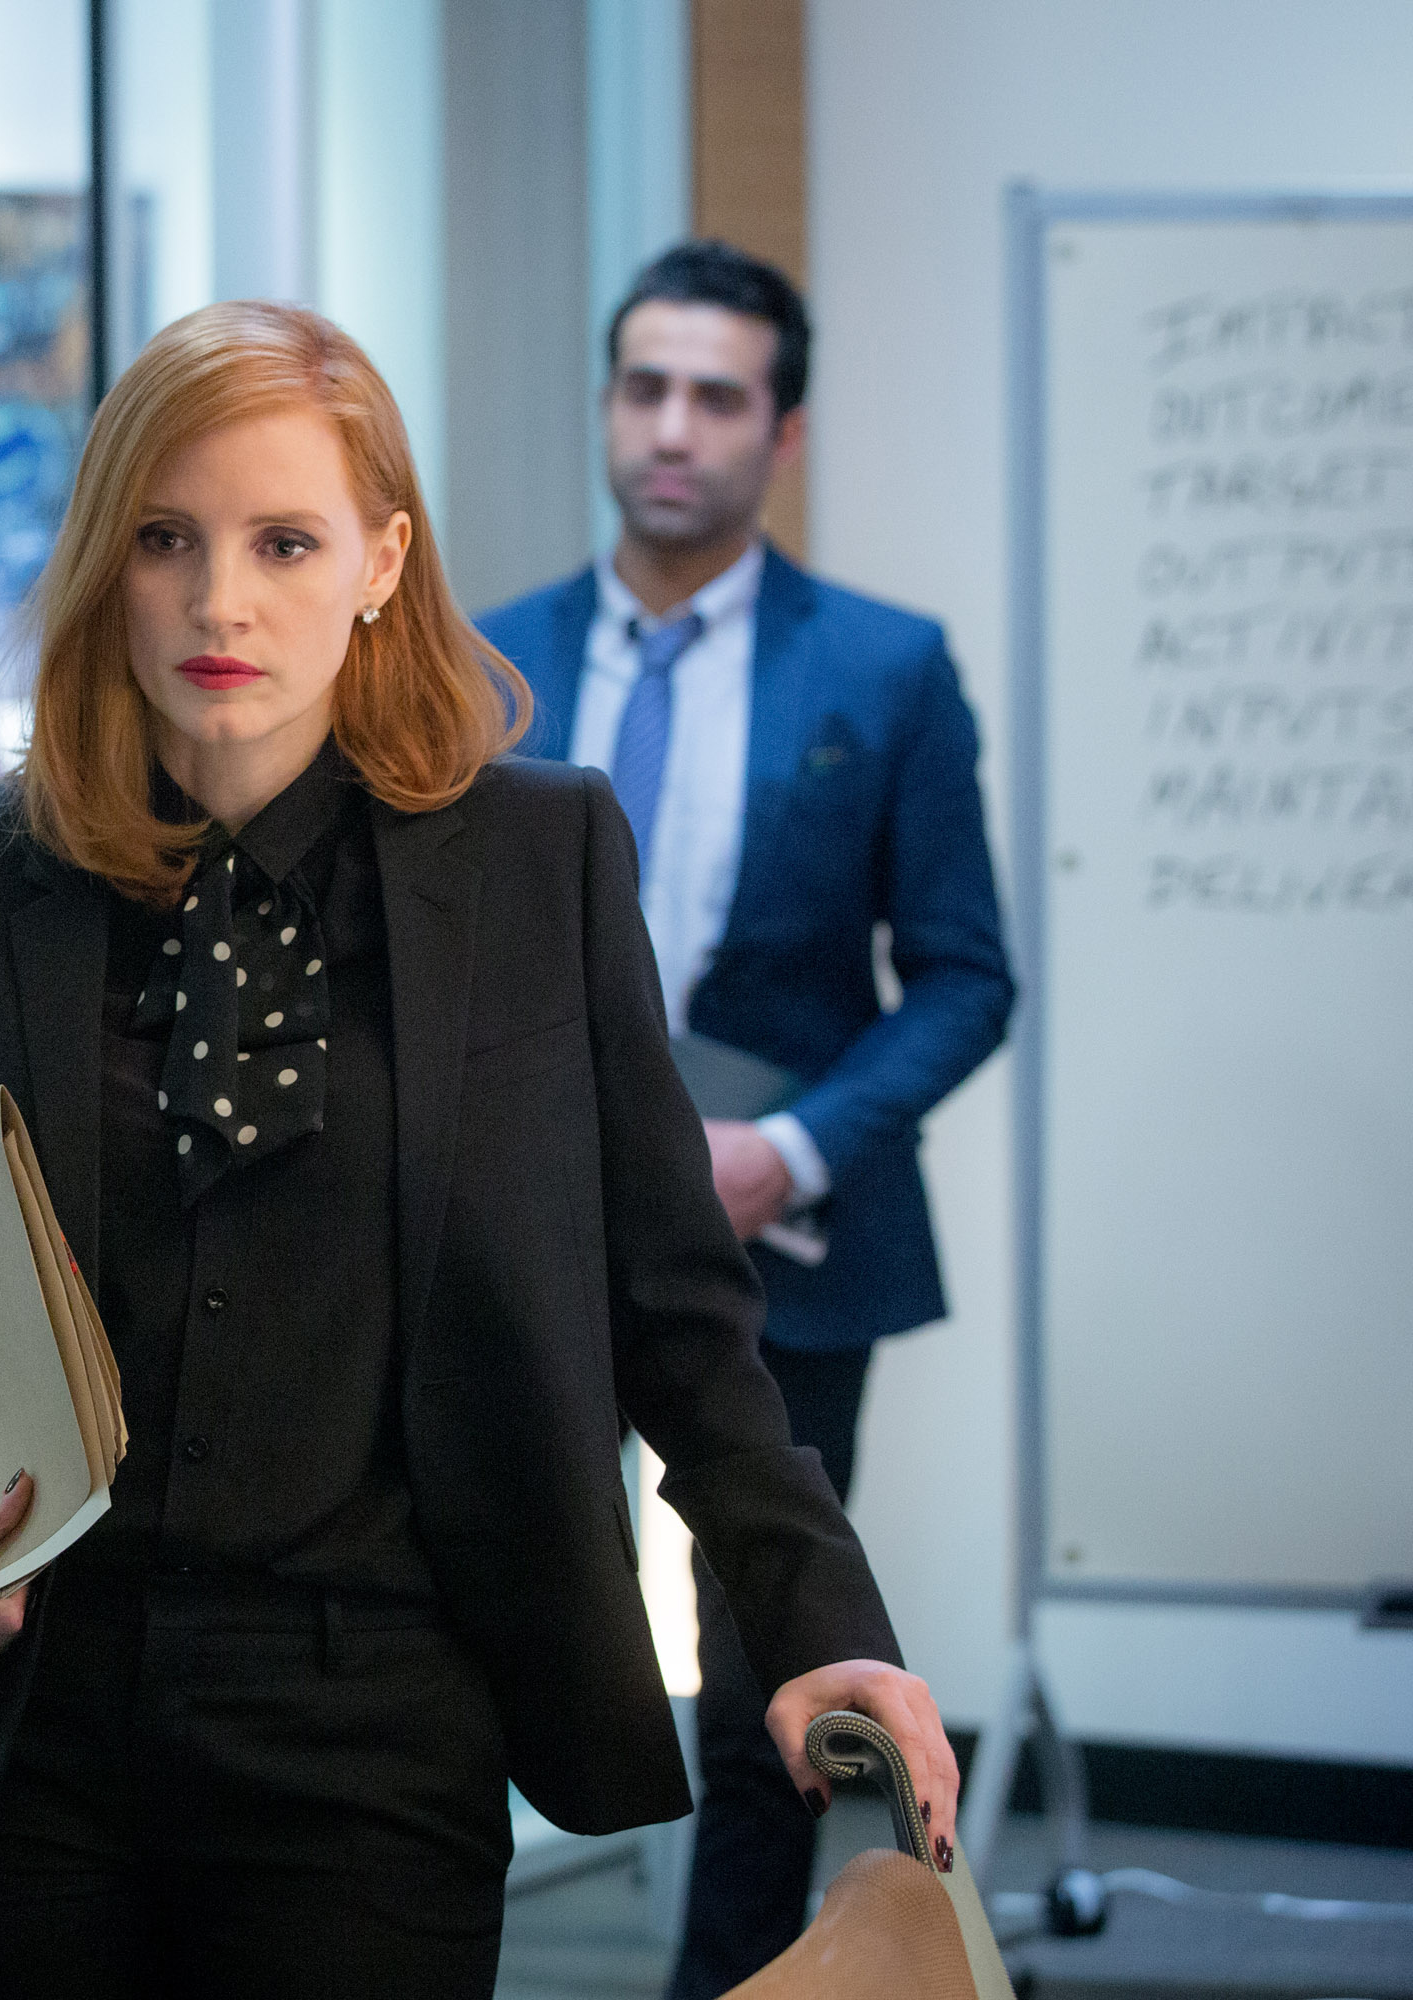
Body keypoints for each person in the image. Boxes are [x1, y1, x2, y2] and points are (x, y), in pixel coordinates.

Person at [0, 300, 964, 1999]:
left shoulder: (537, 864)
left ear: (381, 562)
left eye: (283, 543)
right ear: (103, 562)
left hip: (375, 1730)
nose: (218, 602)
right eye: (165, 539)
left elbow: (675, 1308)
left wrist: (822, 1622)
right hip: (17, 1728)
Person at [474, 240, 1014, 1996]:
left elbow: (965, 975)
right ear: (607, 404)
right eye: (645, 387)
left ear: (780, 431)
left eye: (716, 397)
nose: (672, 428)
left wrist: (794, 1148)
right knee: (485, 1626)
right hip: (520, 1237)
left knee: (770, 1680)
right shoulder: (486, 662)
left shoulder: (884, 669)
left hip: (785, 1242)